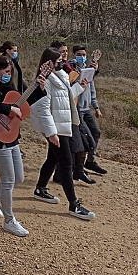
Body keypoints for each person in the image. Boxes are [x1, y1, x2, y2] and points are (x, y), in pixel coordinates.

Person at [0, 56, 46, 236]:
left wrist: (39, 89)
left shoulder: (10, 88)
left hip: (12, 136)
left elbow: (23, 104)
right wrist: (8, 109)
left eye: (11, 72)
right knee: (9, 180)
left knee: (19, 178)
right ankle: (9, 220)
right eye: (6, 72)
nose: (9, 75)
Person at [31, 48, 96, 221]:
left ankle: (40, 189)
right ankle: (74, 204)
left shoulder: (61, 75)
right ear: (49, 62)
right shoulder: (45, 80)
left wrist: (80, 87)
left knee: (53, 158)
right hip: (56, 128)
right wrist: (51, 133)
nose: (62, 61)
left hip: (64, 125)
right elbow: (43, 109)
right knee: (67, 164)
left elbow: (65, 99)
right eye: (59, 59)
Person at [50, 40, 93, 184]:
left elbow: (68, 93)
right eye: (62, 52)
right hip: (60, 116)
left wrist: (80, 86)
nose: (65, 54)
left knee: (56, 155)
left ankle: (53, 180)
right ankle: (71, 194)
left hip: (69, 113)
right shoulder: (53, 73)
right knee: (64, 152)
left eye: (66, 51)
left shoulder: (67, 67)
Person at [71, 45, 107, 175]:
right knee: (86, 138)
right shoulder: (71, 69)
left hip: (86, 109)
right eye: (79, 54)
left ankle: (90, 160)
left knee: (96, 133)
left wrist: (96, 107)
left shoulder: (88, 70)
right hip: (77, 109)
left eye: (84, 54)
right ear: (74, 55)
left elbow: (92, 91)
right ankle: (77, 166)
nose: (82, 57)